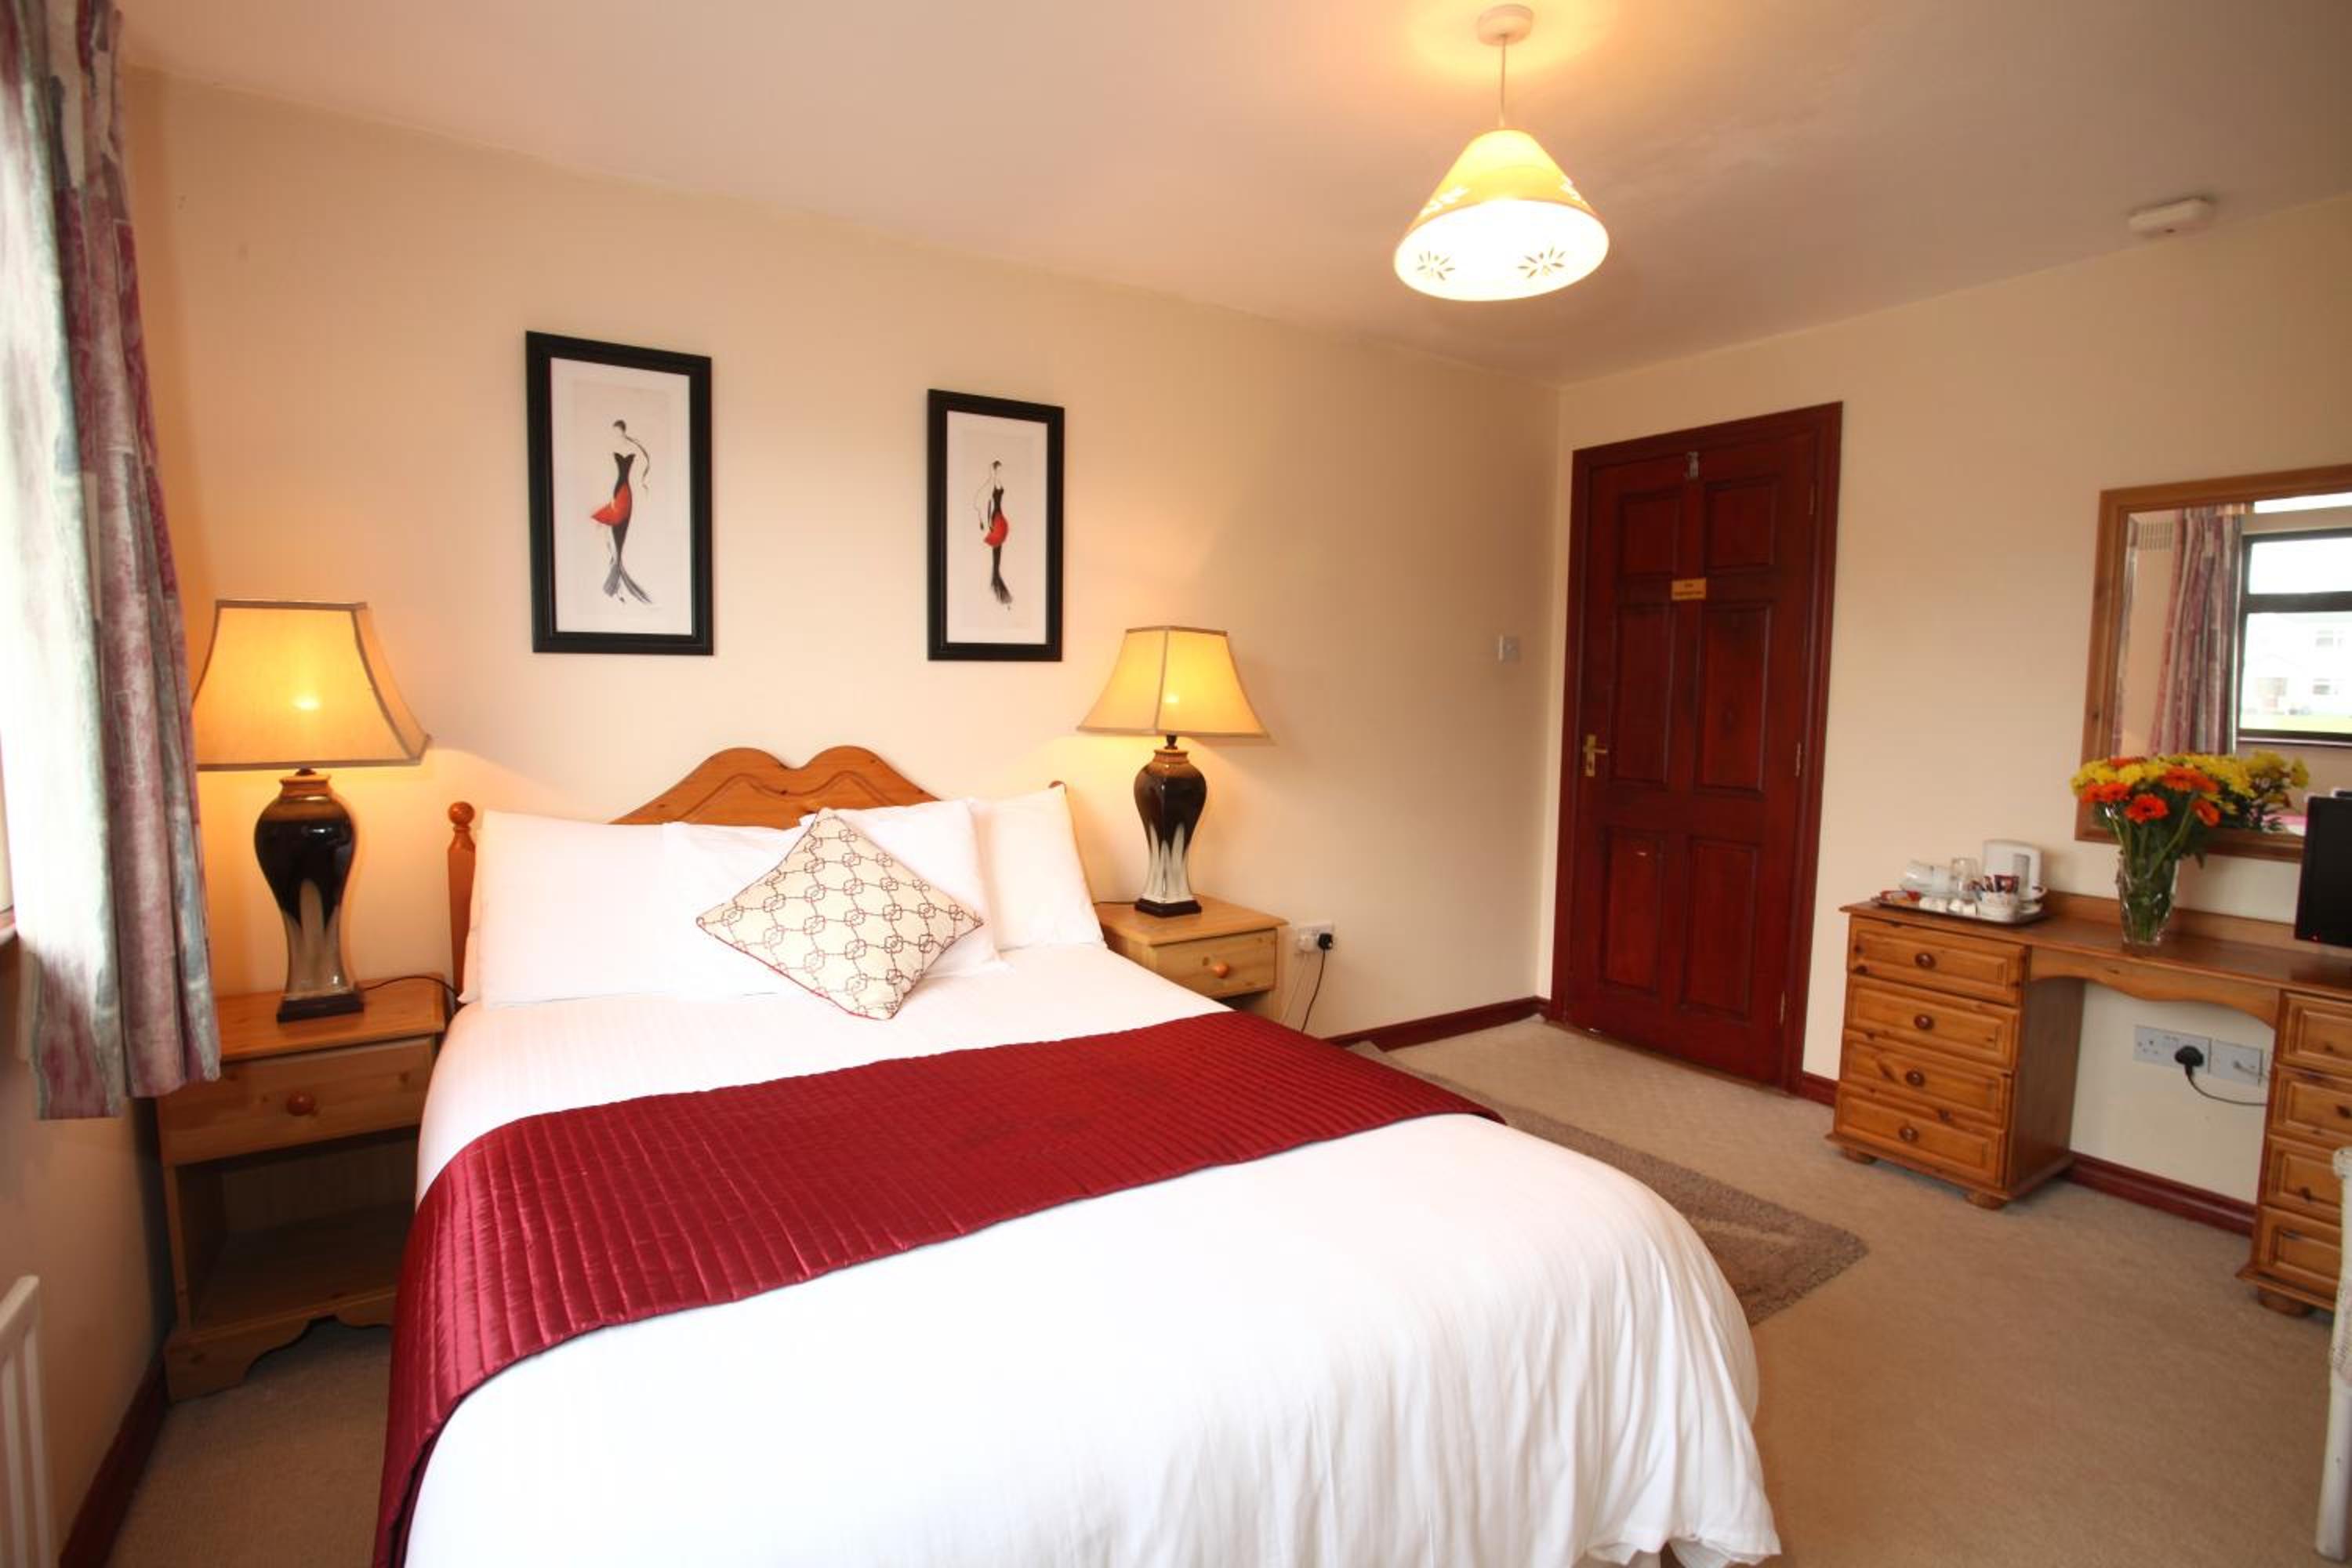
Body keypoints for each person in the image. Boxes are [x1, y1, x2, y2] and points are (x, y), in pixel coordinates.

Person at [972, 459, 1012, 607]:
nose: (1000, 471)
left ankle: (996, 576)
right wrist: (988, 521)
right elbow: (988, 503)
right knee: (996, 547)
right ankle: (996, 577)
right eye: (998, 469)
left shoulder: (997, 481)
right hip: (996, 517)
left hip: (998, 516)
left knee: (997, 549)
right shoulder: (993, 483)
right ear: (995, 469)